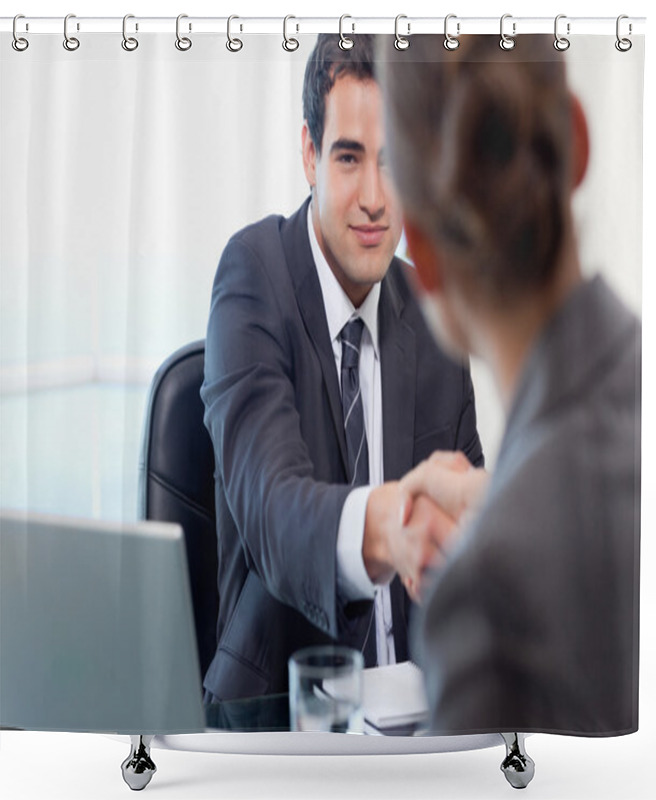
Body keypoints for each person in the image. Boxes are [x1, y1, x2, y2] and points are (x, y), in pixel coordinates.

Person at [200, 34, 483, 702]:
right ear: (309, 153)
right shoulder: (253, 276)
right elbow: (273, 509)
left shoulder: (434, 312)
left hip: (420, 711)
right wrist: (394, 525)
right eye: (350, 158)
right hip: (279, 716)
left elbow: (464, 526)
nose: (376, 199)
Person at [379, 35, 640, 734]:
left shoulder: (485, 599)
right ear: (577, 144)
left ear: (423, 260)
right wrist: (495, 494)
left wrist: (503, 517)